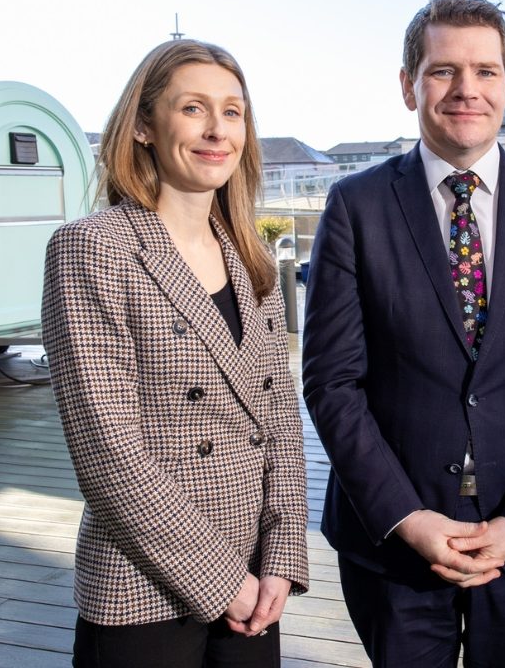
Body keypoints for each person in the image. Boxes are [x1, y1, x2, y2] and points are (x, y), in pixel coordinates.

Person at [302, 0, 505, 667]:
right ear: (408, 84)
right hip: (395, 539)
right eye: (443, 71)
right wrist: (409, 520)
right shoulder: (356, 207)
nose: (466, 90)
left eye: (485, 71)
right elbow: (332, 383)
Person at [41, 39, 308, 668]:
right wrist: (223, 581)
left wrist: (281, 558)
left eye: (233, 111)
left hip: (254, 584)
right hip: (145, 590)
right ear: (142, 126)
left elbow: (281, 425)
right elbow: (108, 452)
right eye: (193, 109)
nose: (218, 130)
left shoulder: (256, 262)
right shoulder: (93, 250)